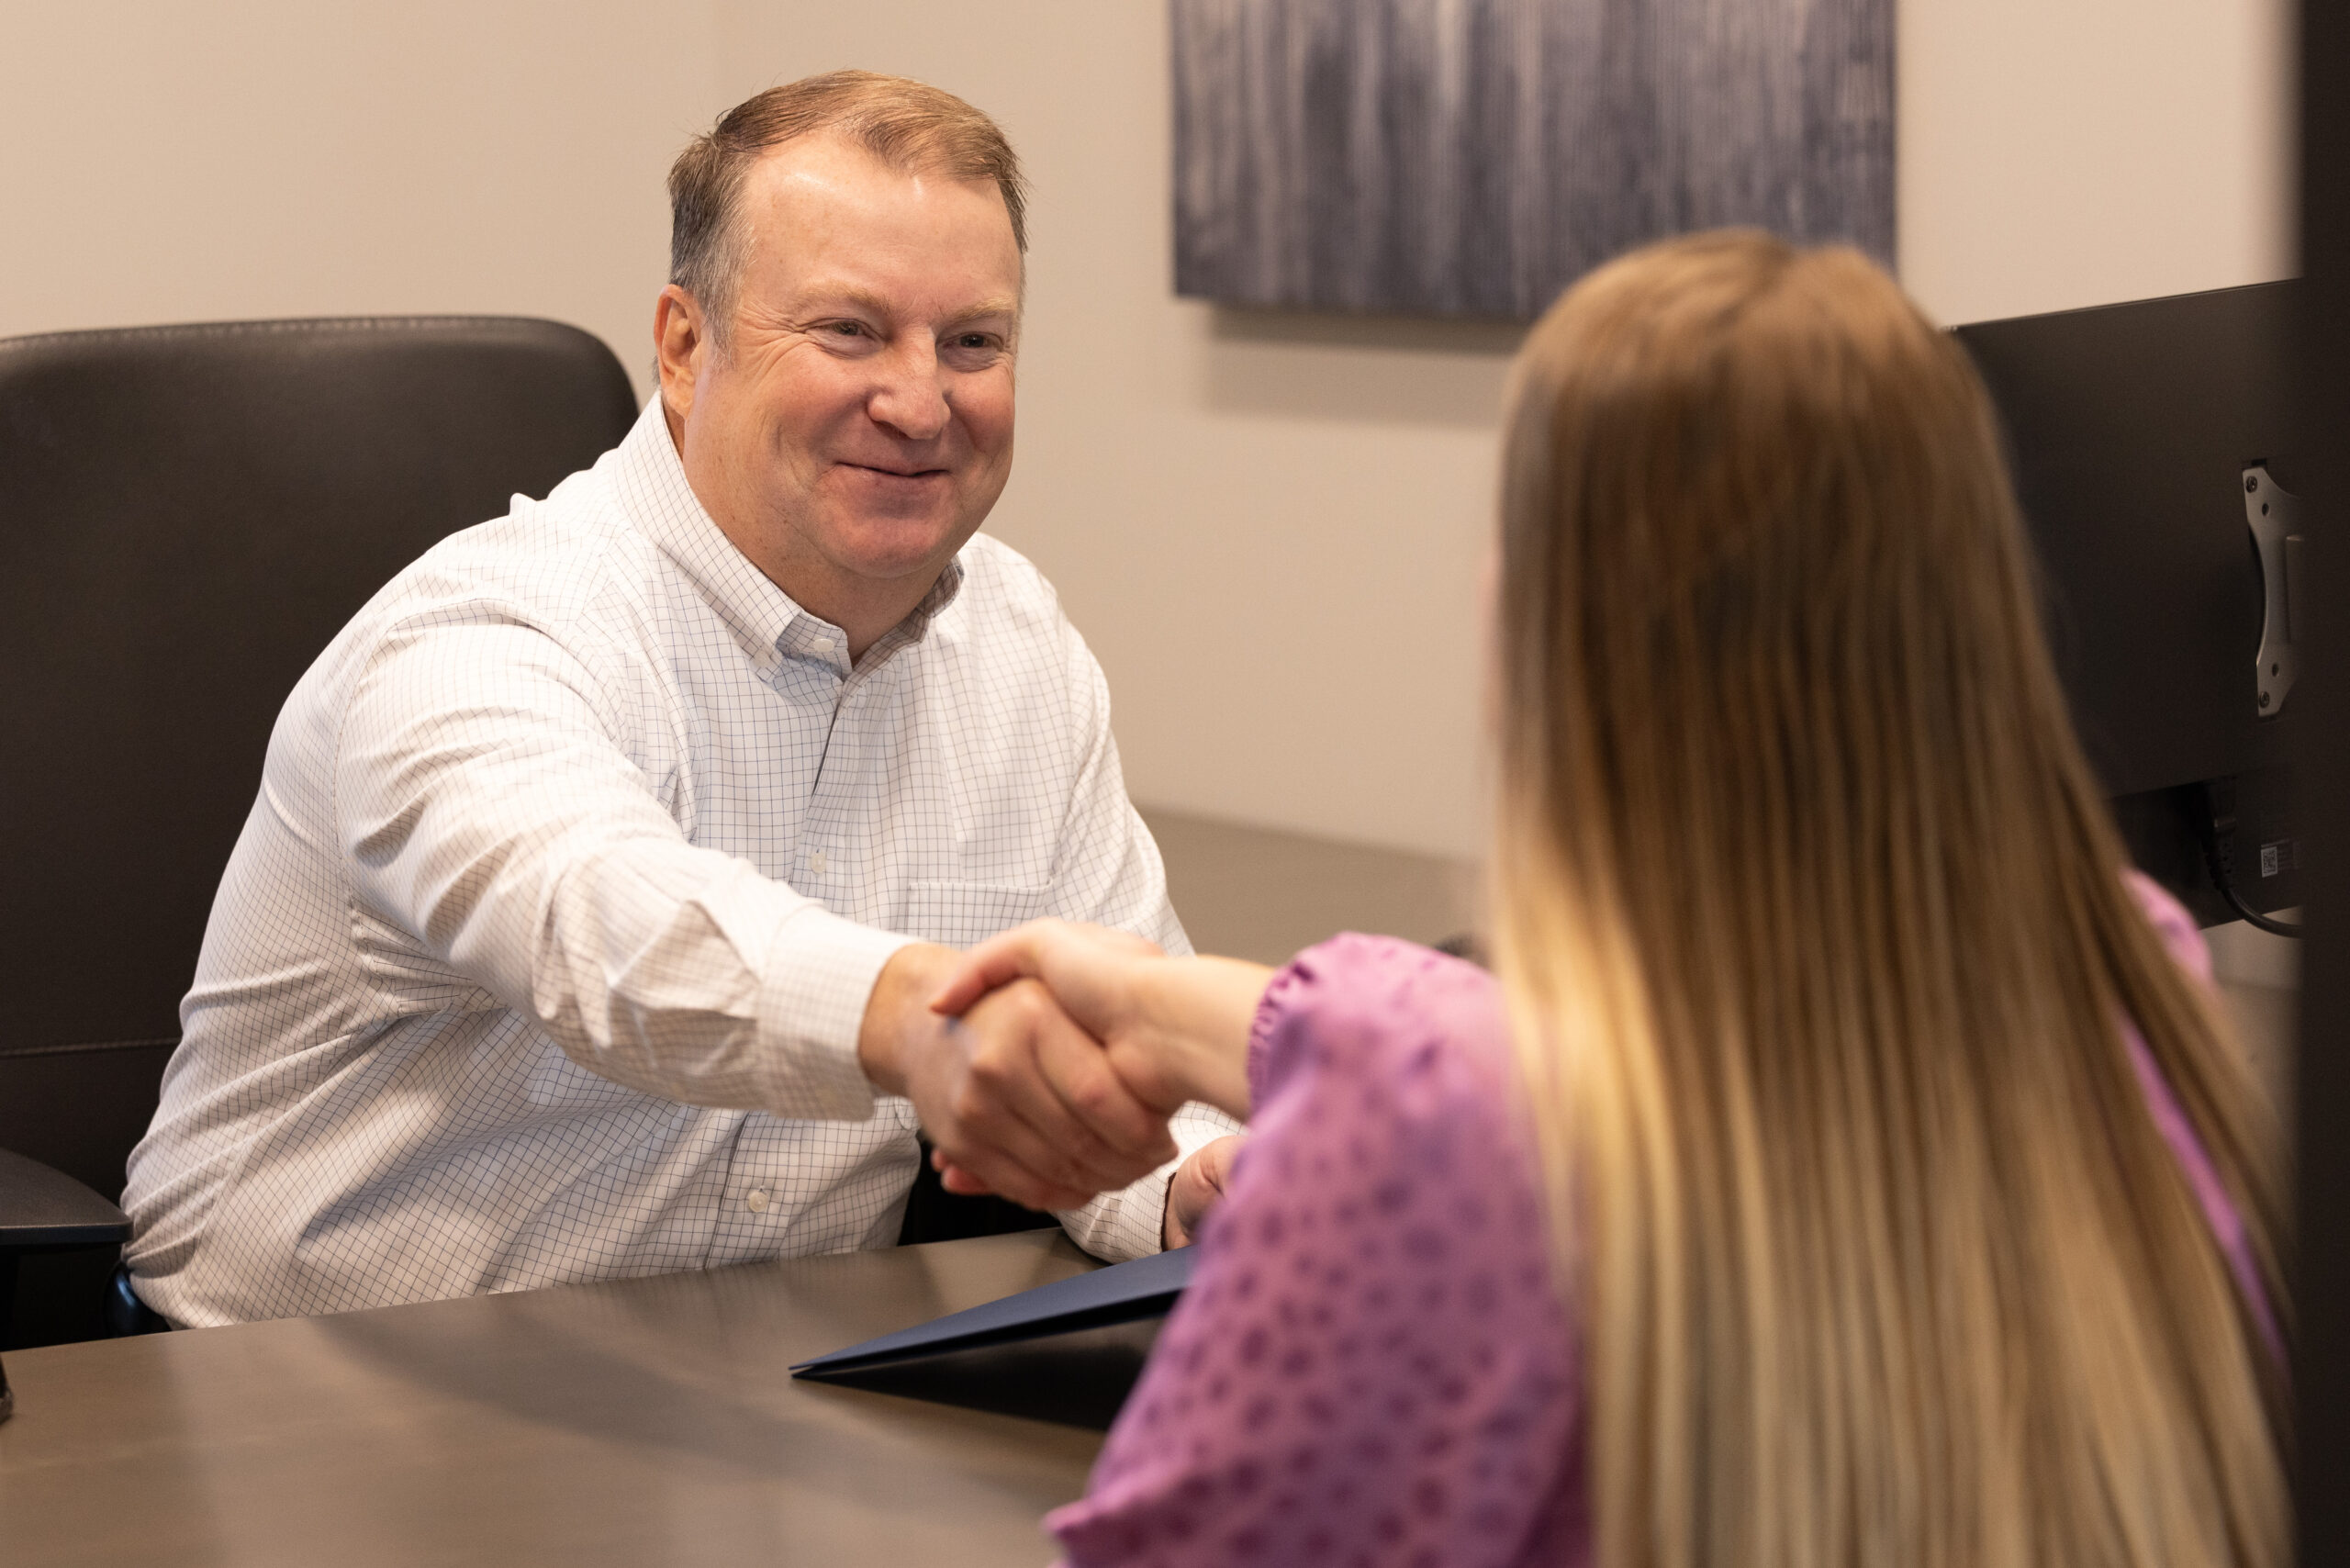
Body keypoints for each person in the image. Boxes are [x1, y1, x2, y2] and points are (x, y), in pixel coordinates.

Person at [934, 232, 2288, 1567]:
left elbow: (1480, 1097)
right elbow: (1618, 1073)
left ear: (1543, 620)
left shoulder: (1445, 1133)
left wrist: (1326, 1056)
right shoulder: (2135, 976)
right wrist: (1162, 999)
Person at [121, 71, 1238, 1328]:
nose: (923, 401)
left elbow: (1119, 1056)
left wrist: (1196, 1176)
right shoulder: (480, 632)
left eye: (972, 341)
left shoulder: (1020, 651)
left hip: (750, 1406)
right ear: (684, 344)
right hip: (282, 1409)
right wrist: (916, 1023)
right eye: (850, 331)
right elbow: (606, 938)